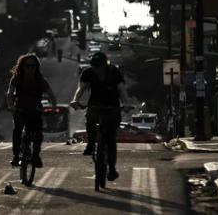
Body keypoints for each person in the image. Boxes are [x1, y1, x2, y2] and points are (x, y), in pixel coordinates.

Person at [70, 52, 132, 181]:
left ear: (105, 65)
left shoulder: (114, 72)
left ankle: (112, 169)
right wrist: (75, 100)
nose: (96, 69)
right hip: (95, 104)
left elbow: (121, 90)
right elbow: (81, 89)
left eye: (99, 66)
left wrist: (126, 103)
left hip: (112, 106)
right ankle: (91, 144)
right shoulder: (88, 72)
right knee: (90, 119)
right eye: (94, 66)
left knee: (110, 140)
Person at [7, 53, 57, 168]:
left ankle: (36, 156)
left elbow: (52, 96)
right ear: (22, 66)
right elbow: (10, 93)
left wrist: (53, 109)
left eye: (33, 66)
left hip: (36, 110)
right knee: (18, 130)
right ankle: (15, 156)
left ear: (37, 67)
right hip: (20, 109)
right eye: (27, 66)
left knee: (38, 133)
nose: (30, 68)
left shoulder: (40, 80)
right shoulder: (17, 78)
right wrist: (11, 106)